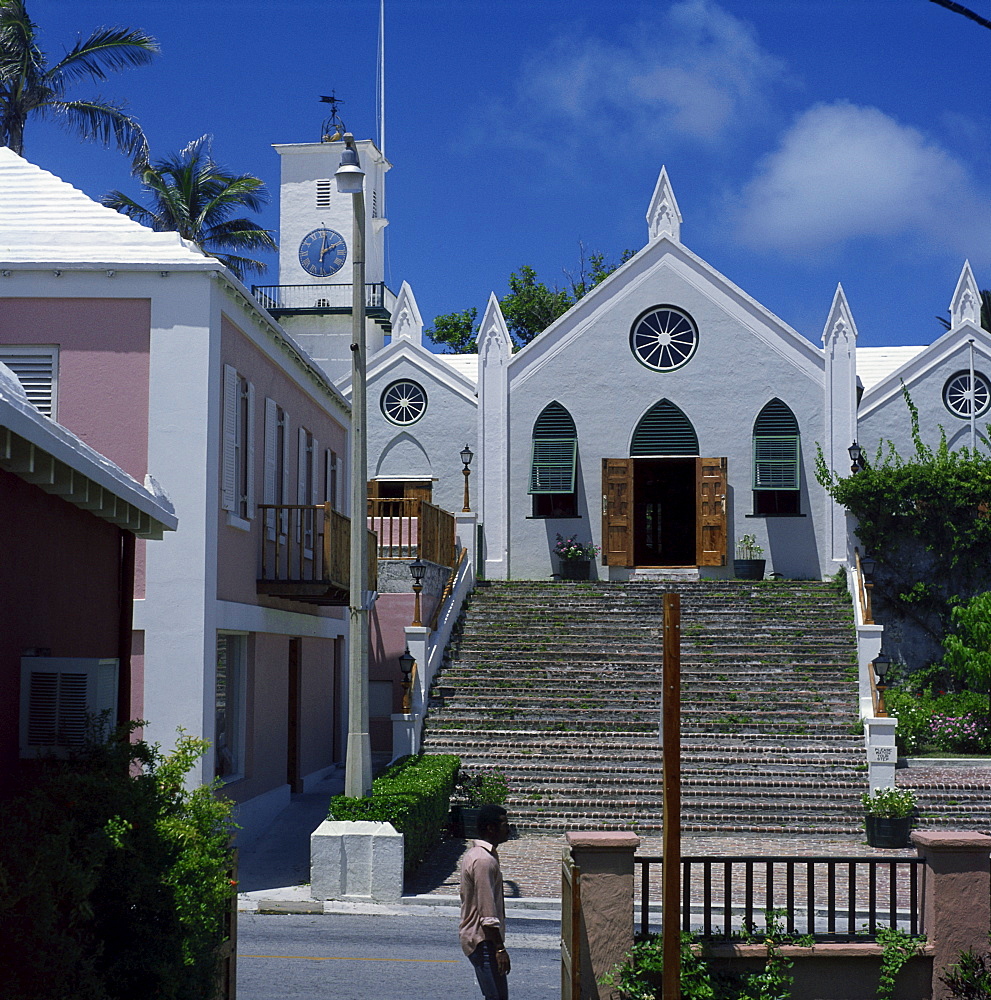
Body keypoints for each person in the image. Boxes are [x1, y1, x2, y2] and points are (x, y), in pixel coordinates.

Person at [459, 804, 511, 1000]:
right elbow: (487, 913)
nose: (509, 828)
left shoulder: (480, 855)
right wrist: (500, 949)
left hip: (484, 941)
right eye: (505, 824)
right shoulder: (483, 861)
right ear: (491, 828)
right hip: (484, 942)